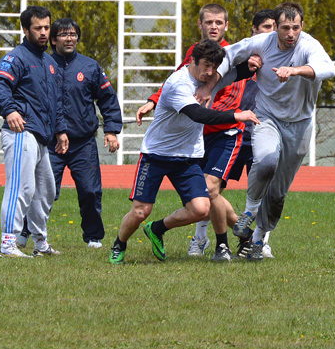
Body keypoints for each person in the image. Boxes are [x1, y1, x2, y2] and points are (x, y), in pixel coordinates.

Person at [109, 39, 259, 264]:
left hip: (187, 157)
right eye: (205, 65)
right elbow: (200, 115)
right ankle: (119, 244)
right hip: (156, 155)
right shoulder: (178, 83)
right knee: (141, 212)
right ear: (192, 61)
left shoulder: (210, 77)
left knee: (200, 208)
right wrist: (237, 115)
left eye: (214, 67)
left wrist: (257, 61)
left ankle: (157, 229)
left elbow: (237, 73)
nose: (209, 73)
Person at [210, 2, 335, 261]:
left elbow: (329, 69)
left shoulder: (308, 45)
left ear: (302, 26)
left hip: (300, 125)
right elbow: (229, 55)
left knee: (278, 193)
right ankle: (249, 212)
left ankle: (258, 241)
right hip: (267, 119)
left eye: (296, 28)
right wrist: (209, 86)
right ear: (275, 27)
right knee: (266, 162)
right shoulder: (262, 42)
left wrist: (295, 70)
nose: (291, 33)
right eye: (285, 28)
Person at [17, 18, 122, 250]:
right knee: (41, 192)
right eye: (64, 35)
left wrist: (112, 130)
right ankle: (24, 233)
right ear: (53, 40)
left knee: (90, 190)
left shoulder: (90, 67)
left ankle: (93, 237)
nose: (69, 38)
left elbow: (107, 99)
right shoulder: (42, 64)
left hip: (83, 143)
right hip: (50, 143)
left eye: (73, 34)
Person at [0, 5, 69, 258]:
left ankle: (40, 243)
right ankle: (7, 244)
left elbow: (54, 101)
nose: (44, 32)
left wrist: (60, 130)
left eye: (47, 27)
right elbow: (0, 86)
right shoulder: (16, 58)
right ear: (26, 30)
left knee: (46, 191)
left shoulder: (48, 62)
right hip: (21, 132)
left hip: (41, 137)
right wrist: (10, 111)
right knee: (20, 188)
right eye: (38, 28)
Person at [226, 9, 276, 258]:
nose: (272, 32)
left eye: (275, 27)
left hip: (260, 136)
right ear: (254, 30)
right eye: (266, 27)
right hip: (230, 134)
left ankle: (260, 242)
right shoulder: (238, 56)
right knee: (211, 189)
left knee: (264, 188)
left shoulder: (281, 62)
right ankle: (205, 238)